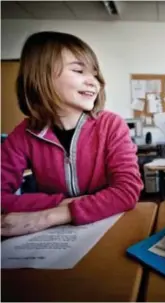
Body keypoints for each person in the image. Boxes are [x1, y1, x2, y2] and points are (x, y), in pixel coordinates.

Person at [1, 31, 143, 237]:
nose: (95, 82)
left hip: (105, 226)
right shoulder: (24, 134)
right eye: (79, 70)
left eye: (95, 74)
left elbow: (127, 192)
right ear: (41, 76)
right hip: (52, 237)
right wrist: (59, 203)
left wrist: (47, 216)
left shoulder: (111, 125)